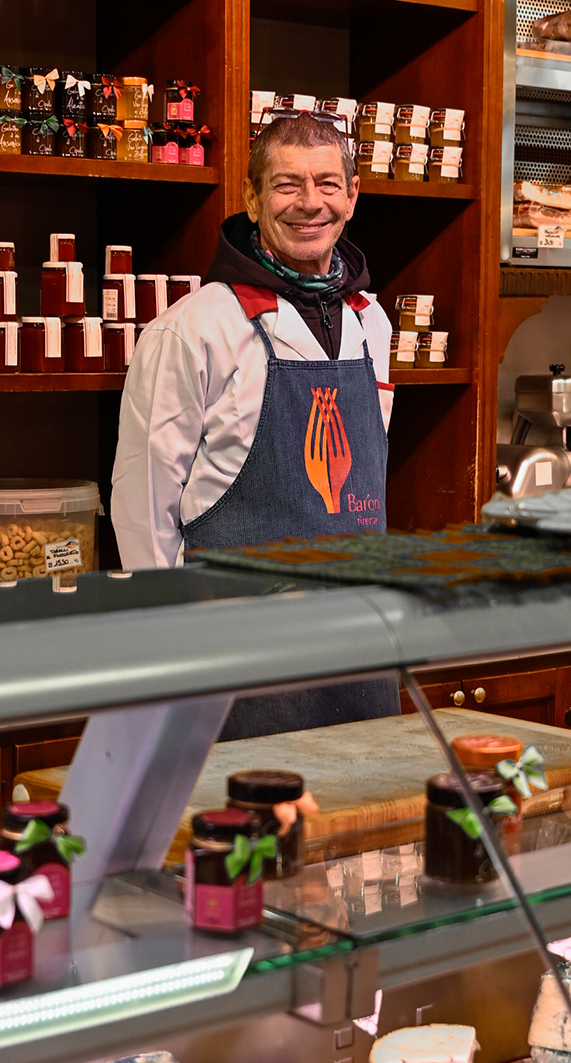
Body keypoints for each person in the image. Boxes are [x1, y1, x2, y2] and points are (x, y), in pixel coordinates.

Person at [112, 112, 400, 739]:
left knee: (368, 830)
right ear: (251, 197)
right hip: (240, 655)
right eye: (286, 184)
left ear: (352, 197)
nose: (309, 203)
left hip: (360, 646)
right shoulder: (193, 329)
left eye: (327, 184)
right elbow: (142, 507)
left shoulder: (371, 323)